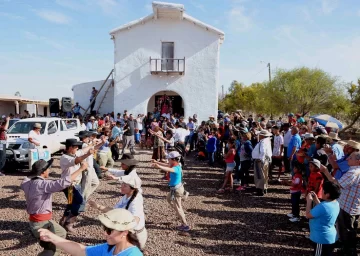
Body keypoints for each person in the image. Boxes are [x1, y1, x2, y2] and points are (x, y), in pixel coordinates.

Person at [21, 158, 88, 256]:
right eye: (48, 169)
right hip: (42, 222)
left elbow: (27, 179)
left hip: (38, 220)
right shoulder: (44, 184)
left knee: (61, 233)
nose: (49, 170)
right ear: (43, 172)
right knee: (52, 248)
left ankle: (45, 240)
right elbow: (62, 183)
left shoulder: (26, 183)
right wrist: (81, 169)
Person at [38, 208, 143, 256]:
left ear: (125, 232)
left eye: (109, 230)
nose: (105, 233)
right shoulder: (109, 247)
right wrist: (52, 237)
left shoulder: (133, 254)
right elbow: (81, 250)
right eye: (105, 229)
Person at [89, 175, 147, 251]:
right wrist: (98, 206)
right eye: (122, 184)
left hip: (135, 236)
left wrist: (120, 229)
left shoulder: (136, 201)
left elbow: (135, 220)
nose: (121, 186)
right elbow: (115, 211)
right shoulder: (127, 196)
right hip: (127, 234)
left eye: (125, 185)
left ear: (133, 188)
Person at [319, 151, 360, 255]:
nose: (347, 159)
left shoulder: (353, 172)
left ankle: (348, 251)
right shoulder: (355, 171)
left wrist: (325, 172)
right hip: (352, 205)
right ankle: (348, 249)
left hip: (347, 206)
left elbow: (337, 185)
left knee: (346, 230)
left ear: (358, 161)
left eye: (350, 158)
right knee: (350, 229)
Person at [59, 139, 95, 233]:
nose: (77, 148)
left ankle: (63, 219)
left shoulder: (74, 153)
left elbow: (84, 150)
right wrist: (88, 155)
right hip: (70, 185)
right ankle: (69, 222)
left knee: (71, 203)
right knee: (80, 201)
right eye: (75, 147)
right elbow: (77, 160)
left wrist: (95, 144)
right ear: (70, 148)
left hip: (74, 184)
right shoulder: (65, 158)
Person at [152, 151, 190, 232]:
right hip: (176, 189)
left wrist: (158, 166)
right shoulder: (177, 164)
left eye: (169, 159)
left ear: (173, 159)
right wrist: (157, 162)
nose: (168, 160)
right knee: (168, 199)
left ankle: (185, 224)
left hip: (176, 190)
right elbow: (166, 165)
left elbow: (167, 168)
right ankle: (179, 214)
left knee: (179, 208)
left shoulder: (175, 168)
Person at [305, 181, 341, 256]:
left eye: (323, 190)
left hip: (321, 239)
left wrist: (309, 201)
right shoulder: (335, 203)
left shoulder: (323, 206)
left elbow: (308, 215)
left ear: (327, 195)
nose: (321, 191)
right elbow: (323, 210)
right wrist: (315, 199)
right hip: (330, 237)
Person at [252, 130, 272, 196]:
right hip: (266, 160)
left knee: (259, 175)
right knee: (265, 175)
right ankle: (265, 188)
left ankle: (260, 190)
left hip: (260, 160)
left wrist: (260, 159)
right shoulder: (267, 141)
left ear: (262, 136)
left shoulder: (263, 142)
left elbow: (262, 151)